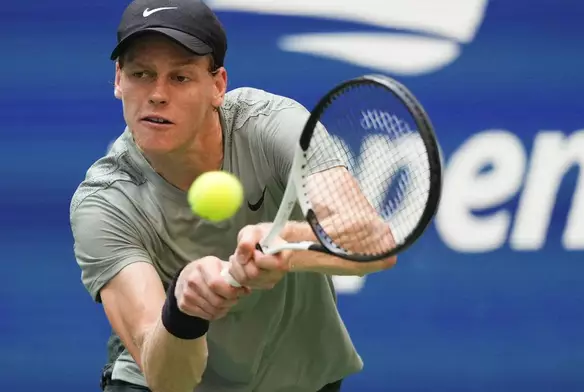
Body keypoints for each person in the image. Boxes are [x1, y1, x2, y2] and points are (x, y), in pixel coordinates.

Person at [69, 0, 397, 391]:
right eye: (142, 74)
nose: (157, 94)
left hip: (297, 379)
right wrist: (183, 309)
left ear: (217, 86)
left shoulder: (272, 125)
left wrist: (282, 245)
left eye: (180, 78)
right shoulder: (105, 202)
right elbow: (164, 379)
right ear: (119, 79)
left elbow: (376, 245)